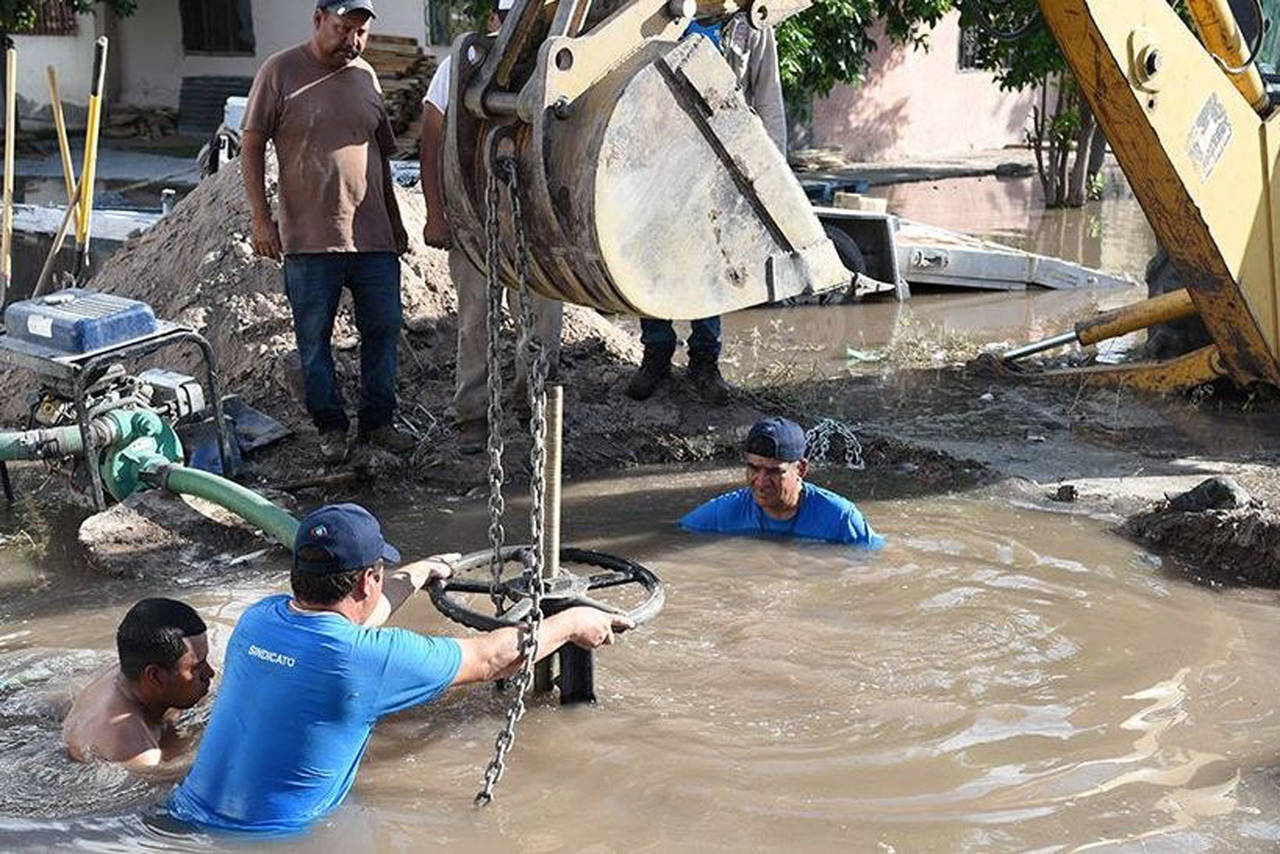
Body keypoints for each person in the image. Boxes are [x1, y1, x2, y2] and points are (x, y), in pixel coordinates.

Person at [166, 503, 629, 834]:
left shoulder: (258, 620)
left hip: (183, 815)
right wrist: (572, 622)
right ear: (369, 579)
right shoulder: (365, 661)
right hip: (275, 839)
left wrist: (418, 573)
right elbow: (493, 658)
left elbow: (349, 621)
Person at [242, 0, 416, 465]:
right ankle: (331, 427)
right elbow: (252, 145)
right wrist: (262, 219)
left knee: (382, 330)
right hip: (309, 241)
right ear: (319, 20)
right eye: (343, 29)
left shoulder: (367, 77)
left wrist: (397, 224)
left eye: (361, 32)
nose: (352, 41)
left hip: (373, 238)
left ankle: (378, 423)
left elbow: (380, 160)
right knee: (313, 339)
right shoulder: (279, 72)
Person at [419, 0, 563, 454]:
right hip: (472, 218)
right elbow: (431, 140)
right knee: (475, 322)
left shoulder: (553, 68)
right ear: (493, 21)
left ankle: (532, 403)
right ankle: (472, 415)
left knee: (542, 323)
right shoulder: (458, 69)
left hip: (535, 226)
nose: (516, 31)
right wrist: (436, 213)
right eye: (507, 19)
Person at [626, 12, 788, 405]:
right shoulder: (652, 12)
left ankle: (704, 361)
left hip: (721, 160)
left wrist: (775, 178)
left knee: (712, 260)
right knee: (656, 257)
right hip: (659, 155)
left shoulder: (750, 23)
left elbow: (767, 98)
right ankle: (656, 354)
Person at [62, 598, 215, 772]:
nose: (210, 673)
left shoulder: (133, 671)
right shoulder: (135, 751)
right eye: (197, 667)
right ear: (155, 676)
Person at [681, 416, 884, 546]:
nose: (760, 482)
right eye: (753, 468)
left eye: (773, 472)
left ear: (801, 469)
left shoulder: (841, 518)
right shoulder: (724, 512)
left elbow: (875, 562)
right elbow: (675, 536)